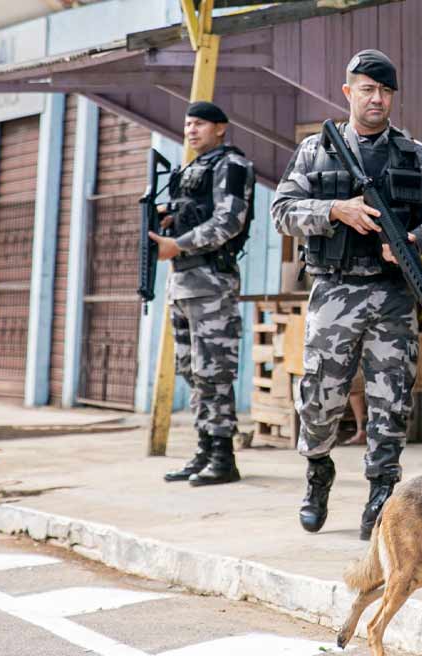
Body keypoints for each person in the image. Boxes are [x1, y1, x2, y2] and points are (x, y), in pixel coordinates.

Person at [271, 49, 422, 539]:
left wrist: (413, 241)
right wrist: (335, 210)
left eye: (385, 91)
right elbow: (281, 210)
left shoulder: (412, 154)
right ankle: (318, 469)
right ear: (348, 92)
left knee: (391, 400)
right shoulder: (316, 151)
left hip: (393, 295)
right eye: (367, 89)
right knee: (320, 396)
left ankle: (381, 494)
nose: (377, 99)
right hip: (334, 291)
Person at [152, 101, 255, 487]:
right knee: (190, 370)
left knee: (214, 372)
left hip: (212, 283)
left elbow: (229, 221)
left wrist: (177, 244)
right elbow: (196, 214)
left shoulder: (233, 165)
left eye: (199, 124)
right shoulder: (191, 169)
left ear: (220, 128)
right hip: (182, 284)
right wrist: (169, 219)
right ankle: (205, 448)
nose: (191, 131)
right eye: (188, 124)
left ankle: (223, 457)